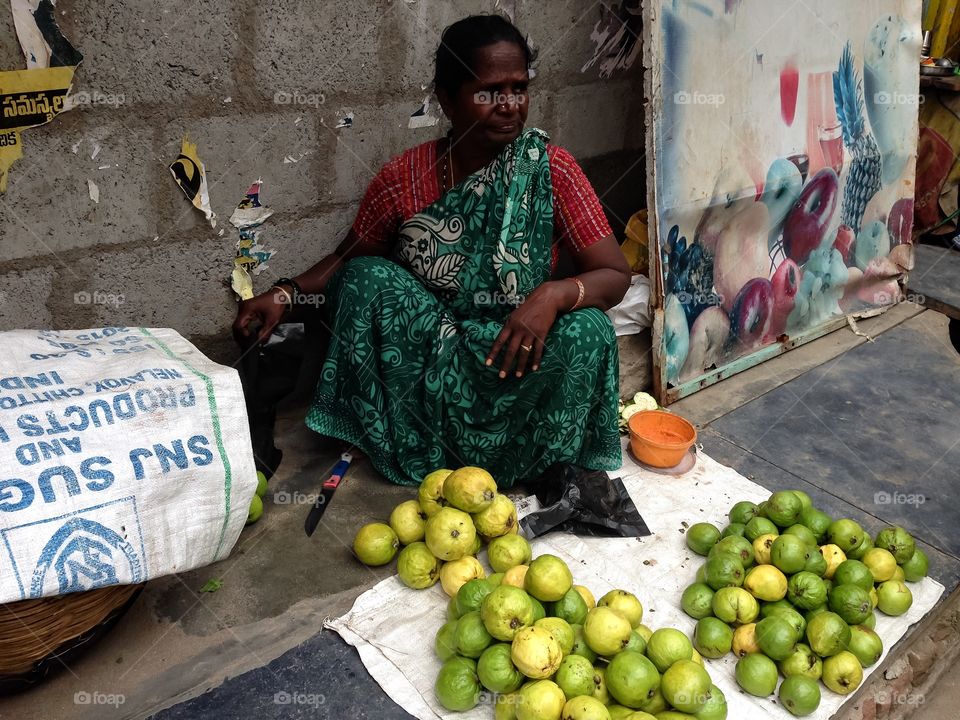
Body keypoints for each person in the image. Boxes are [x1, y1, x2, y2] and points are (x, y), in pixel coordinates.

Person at [233, 14, 631, 488]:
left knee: (591, 329)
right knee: (363, 279)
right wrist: (284, 293)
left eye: (519, 88)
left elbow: (614, 273)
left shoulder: (551, 169)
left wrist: (554, 296)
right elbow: (348, 258)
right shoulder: (405, 177)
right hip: (427, 360)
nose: (509, 106)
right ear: (447, 98)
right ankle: (412, 441)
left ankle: (530, 462)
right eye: (488, 91)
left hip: (517, 353)